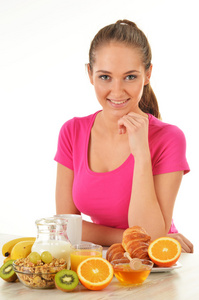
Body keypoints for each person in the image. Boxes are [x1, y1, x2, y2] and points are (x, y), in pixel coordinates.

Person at [54, 20, 193, 253]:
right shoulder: (72, 132)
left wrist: (141, 152)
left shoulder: (169, 138)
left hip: (155, 266)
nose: (117, 91)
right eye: (105, 77)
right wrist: (132, 239)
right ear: (90, 73)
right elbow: (66, 226)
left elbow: (149, 237)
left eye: (130, 77)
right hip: (105, 259)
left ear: (147, 74)